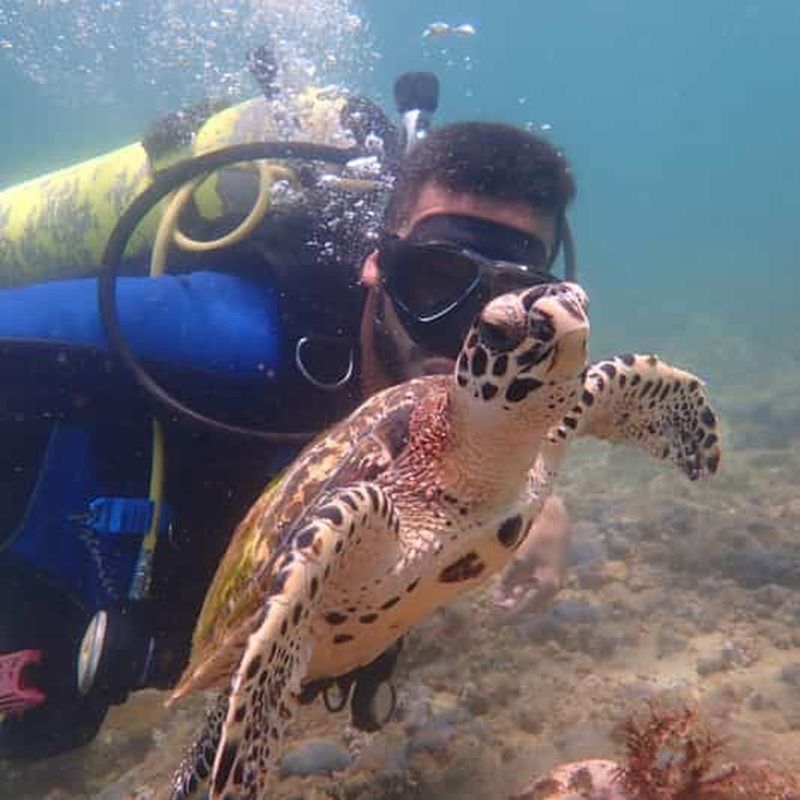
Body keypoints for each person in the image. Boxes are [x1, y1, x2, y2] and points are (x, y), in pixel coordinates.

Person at [0, 112, 576, 757]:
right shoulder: (229, 335)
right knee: (41, 729)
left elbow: (504, 413)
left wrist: (536, 486)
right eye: (436, 280)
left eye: (511, 295)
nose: (468, 334)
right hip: (39, 544)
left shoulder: (504, 401)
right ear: (377, 265)